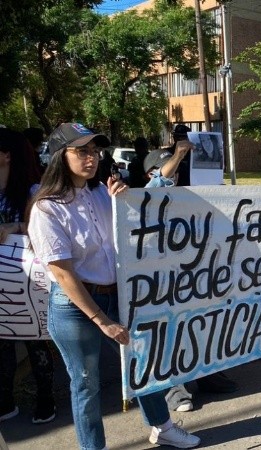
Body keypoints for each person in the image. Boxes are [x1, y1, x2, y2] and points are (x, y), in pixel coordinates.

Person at [28, 123, 200, 449]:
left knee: (142, 364)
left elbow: (142, 211)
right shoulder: (47, 207)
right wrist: (102, 321)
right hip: (75, 308)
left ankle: (161, 426)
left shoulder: (102, 193)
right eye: (81, 151)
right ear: (59, 157)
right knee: (86, 384)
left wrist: (121, 200)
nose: (91, 158)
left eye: (94, 151)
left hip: (116, 297)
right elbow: (63, 273)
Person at [143, 141, 239, 412]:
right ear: (150, 173)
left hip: (195, 278)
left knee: (203, 326)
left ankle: (208, 375)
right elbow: (159, 185)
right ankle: (174, 389)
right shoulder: (139, 199)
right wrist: (179, 154)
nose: (172, 175)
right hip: (160, 283)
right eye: (164, 170)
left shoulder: (188, 196)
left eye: (175, 169)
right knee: (169, 335)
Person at [0, 129, 56, 425]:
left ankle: (45, 398)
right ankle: (5, 398)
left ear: (6, 155)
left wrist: (12, 227)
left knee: (34, 338)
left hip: (27, 280)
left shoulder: (33, 190)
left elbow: (42, 228)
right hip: (3, 279)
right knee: (2, 340)